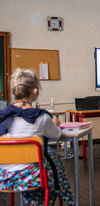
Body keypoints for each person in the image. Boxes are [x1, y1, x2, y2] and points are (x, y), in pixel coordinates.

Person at [0, 68, 74, 205]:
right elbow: (56, 135)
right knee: (52, 158)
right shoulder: (42, 117)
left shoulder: (2, 115)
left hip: (3, 176)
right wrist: (56, 124)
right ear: (35, 91)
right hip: (31, 177)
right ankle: (63, 196)